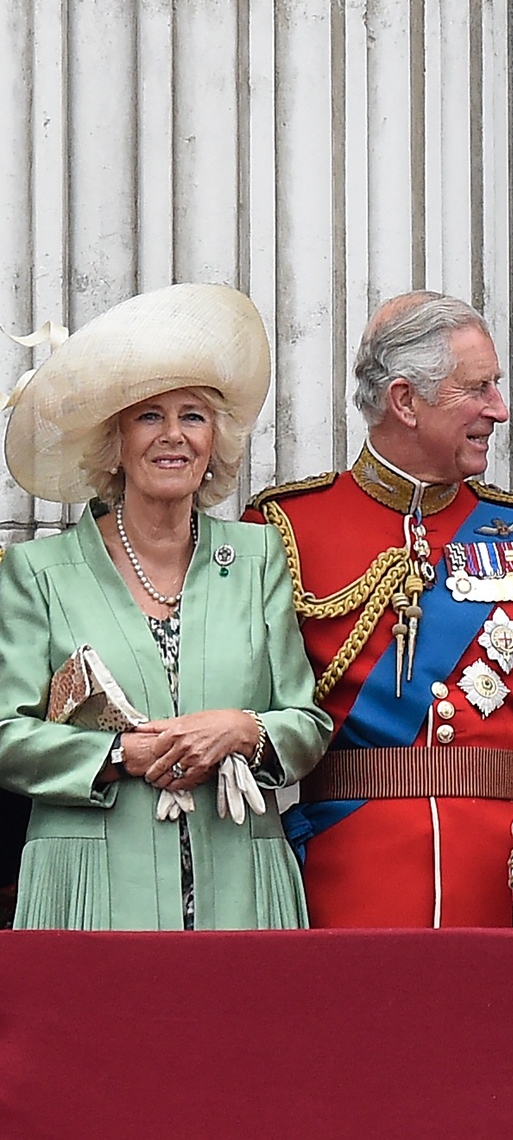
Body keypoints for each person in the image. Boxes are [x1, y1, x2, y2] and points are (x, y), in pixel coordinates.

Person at [243, 292, 513, 927]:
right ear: (404, 401)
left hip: (504, 888)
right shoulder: (285, 529)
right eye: (477, 388)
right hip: (347, 886)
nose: (499, 409)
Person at [0, 284, 331, 929]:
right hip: (90, 888)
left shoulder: (258, 555)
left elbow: (307, 724)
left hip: (240, 881)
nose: (173, 436)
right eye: (150, 416)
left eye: (193, 416)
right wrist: (118, 755)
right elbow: (7, 735)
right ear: (115, 440)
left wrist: (243, 730)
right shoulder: (37, 572)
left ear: (214, 440)